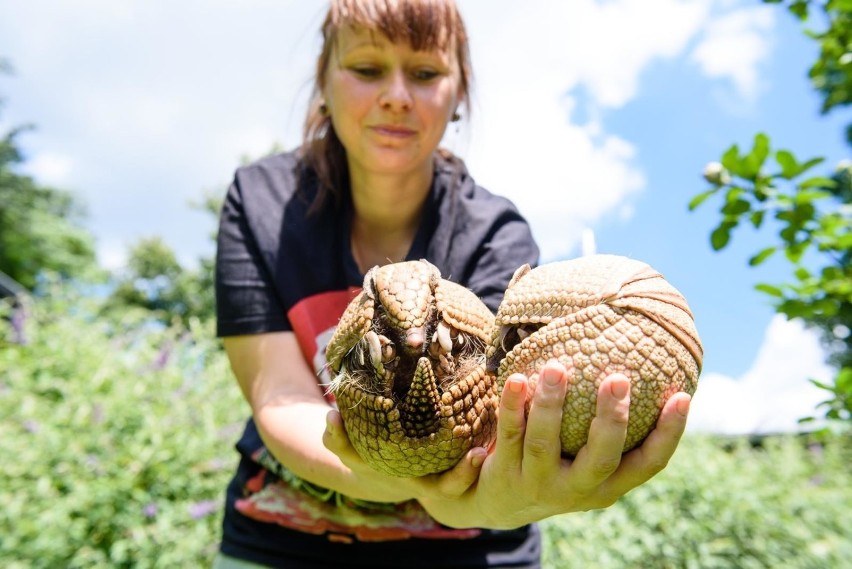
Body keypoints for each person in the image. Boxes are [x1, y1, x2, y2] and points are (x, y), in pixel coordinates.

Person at [213, 1, 692, 567]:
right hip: (283, 539)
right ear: (323, 78)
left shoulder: (494, 232)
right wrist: (401, 477)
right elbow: (280, 395)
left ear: (459, 91)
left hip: (469, 551)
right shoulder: (261, 202)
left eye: (425, 73)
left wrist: (496, 498)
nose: (396, 95)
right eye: (367, 70)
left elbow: (485, 430)